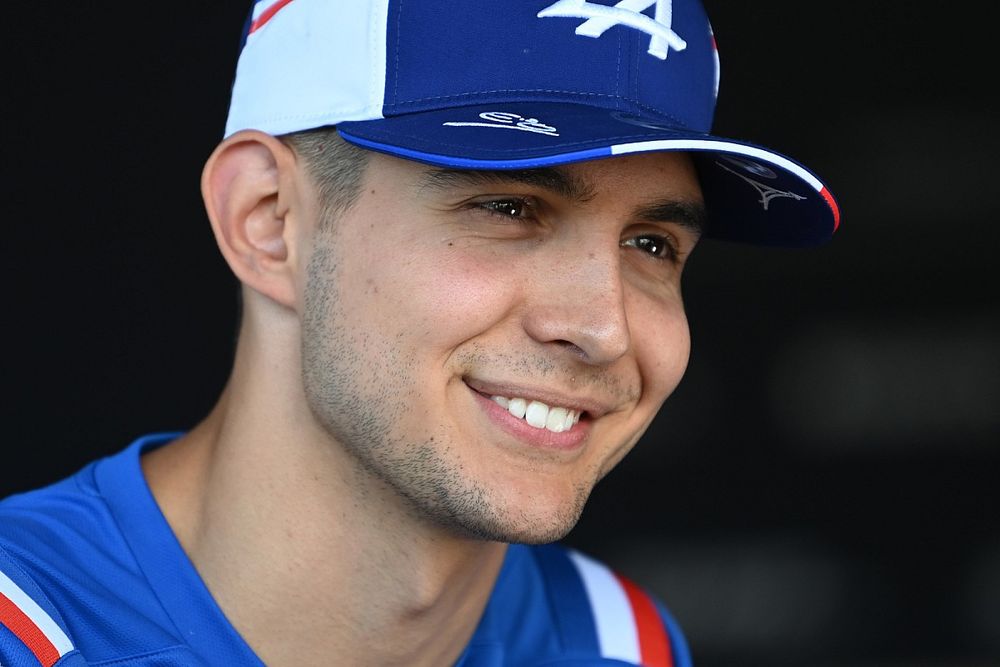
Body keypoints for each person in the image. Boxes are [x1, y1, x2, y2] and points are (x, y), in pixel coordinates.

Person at [0, 0, 839, 665]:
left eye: (653, 244)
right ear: (268, 220)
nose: (601, 327)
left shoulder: (619, 641)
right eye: (509, 206)